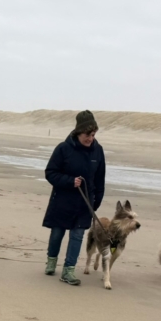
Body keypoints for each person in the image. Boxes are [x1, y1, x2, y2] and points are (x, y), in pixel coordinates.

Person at [41, 110, 106, 285]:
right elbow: (50, 173)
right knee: (57, 234)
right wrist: (70, 181)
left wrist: (95, 202)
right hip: (62, 200)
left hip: (85, 203)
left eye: (93, 135)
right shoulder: (63, 148)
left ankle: (68, 271)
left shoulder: (98, 151)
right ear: (78, 132)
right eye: (87, 135)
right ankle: (51, 261)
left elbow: (100, 180)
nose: (90, 138)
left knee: (77, 236)